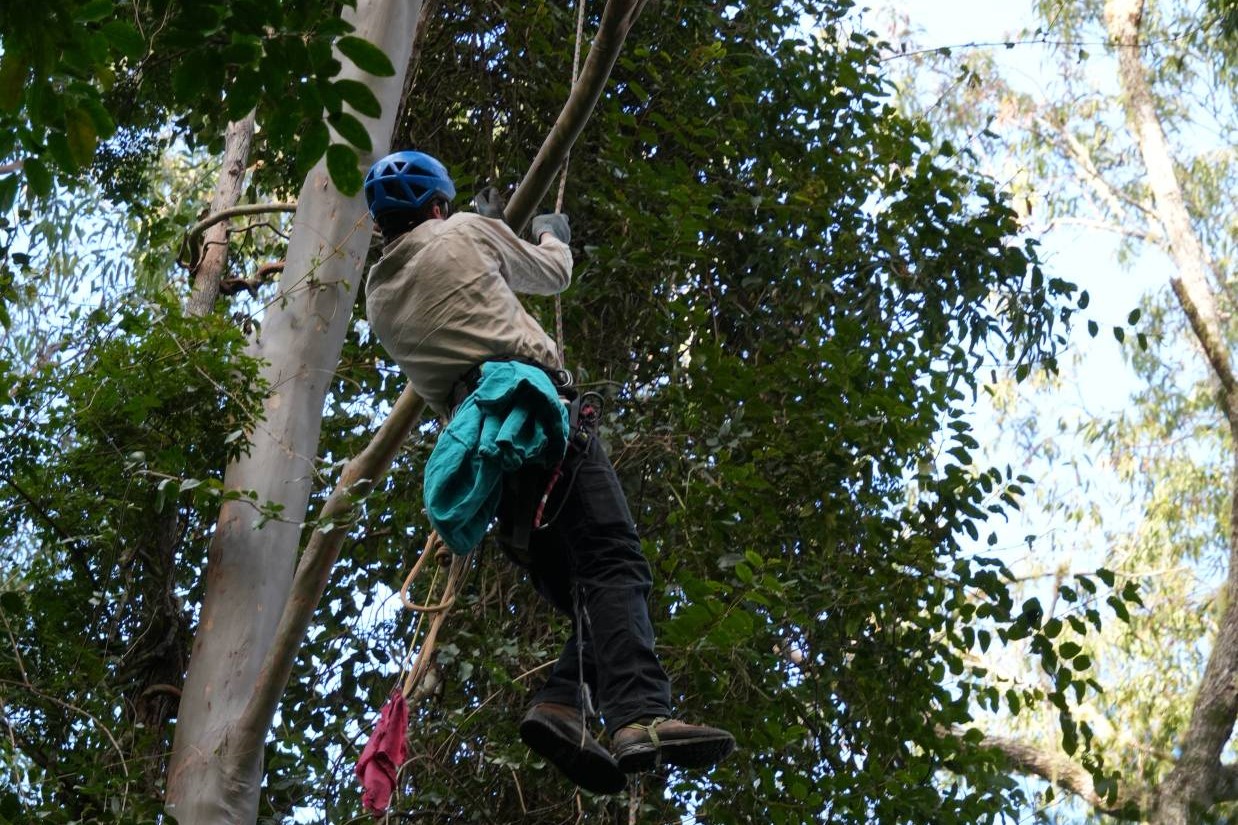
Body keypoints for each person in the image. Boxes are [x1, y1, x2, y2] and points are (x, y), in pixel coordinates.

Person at [363, 150, 735, 795]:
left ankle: (562, 703)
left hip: (488, 461)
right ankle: (639, 716)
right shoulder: (464, 232)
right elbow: (551, 276)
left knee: (595, 591)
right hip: (535, 422)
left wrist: (486, 235)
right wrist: (546, 233)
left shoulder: (379, 301)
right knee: (616, 563)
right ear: (436, 205)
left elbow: (462, 318)